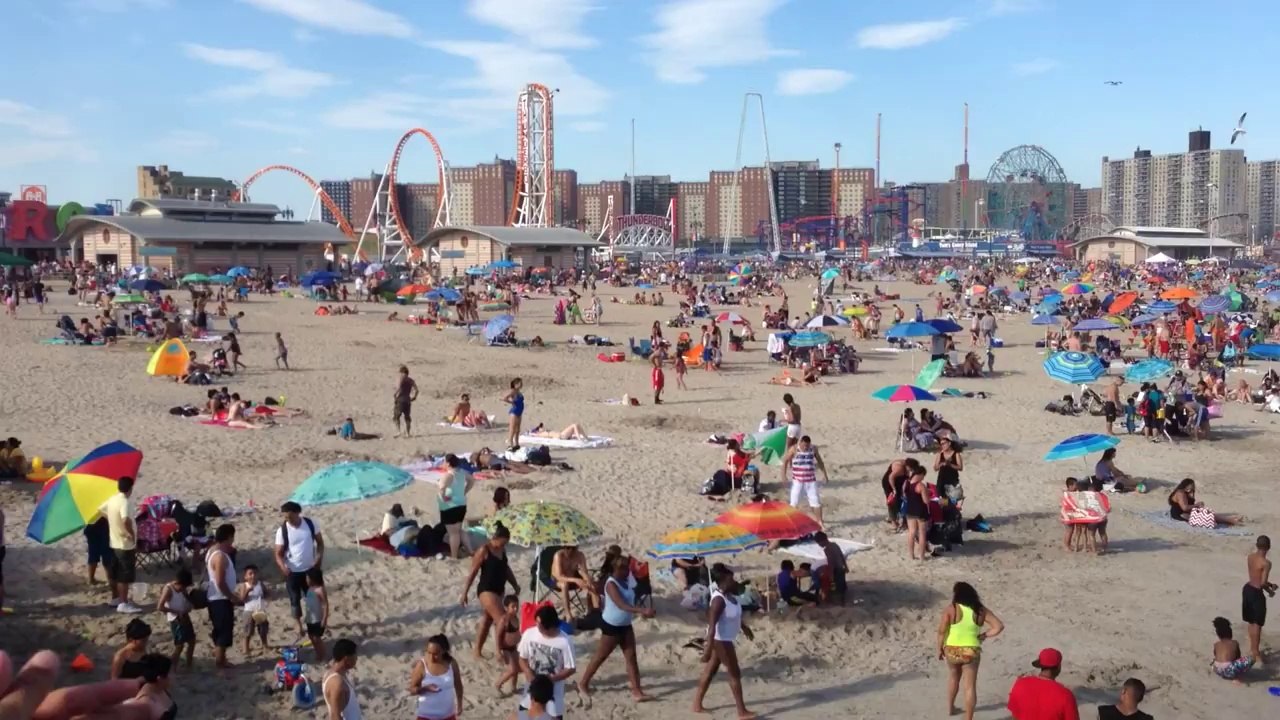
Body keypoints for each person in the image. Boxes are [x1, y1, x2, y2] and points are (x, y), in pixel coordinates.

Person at [578, 554, 656, 701]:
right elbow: (621, 604)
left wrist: (643, 611)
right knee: (600, 656)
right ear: (616, 569)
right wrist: (642, 611)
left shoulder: (627, 581)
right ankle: (583, 683)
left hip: (626, 624)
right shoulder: (611, 584)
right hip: (611, 625)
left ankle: (637, 691)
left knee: (631, 657)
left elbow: (631, 601)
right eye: (625, 568)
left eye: (628, 567)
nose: (628, 570)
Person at [691, 563, 755, 719]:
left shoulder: (730, 597)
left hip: (724, 639)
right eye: (732, 579)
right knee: (734, 673)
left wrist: (744, 627)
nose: (735, 581)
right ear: (726, 579)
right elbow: (712, 626)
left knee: (710, 671)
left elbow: (733, 616)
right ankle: (741, 711)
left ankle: (696, 704)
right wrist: (707, 649)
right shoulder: (718, 600)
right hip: (721, 641)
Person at [937, 582, 1005, 720]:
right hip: (971, 651)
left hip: (952, 650)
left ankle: (951, 708)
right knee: (970, 686)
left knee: (953, 677)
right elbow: (998, 626)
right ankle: (968, 718)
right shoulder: (980, 610)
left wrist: (939, 648)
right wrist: (984, 635)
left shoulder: (952, 609)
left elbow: (941, 631)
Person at [461, 523, 521, 661]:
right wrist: (465, 592)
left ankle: (477, 651)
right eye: (503, 542)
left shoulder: (502, 551)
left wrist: (515, 584)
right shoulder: (484, 550)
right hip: (486, 590)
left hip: (499, 590)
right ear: (496, 538)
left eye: (506, 543)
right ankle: (501, 652)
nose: (504, 546)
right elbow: (473, 572)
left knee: (487, 621)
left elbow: (506, 569)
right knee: (503, 620)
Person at [274, 501, 324, 644]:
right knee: (294, 600)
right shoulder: (282, 531)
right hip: (292, 571)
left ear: (297, 513)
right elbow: (277, 553)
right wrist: (282, 567)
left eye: (289, 517)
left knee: (314, 599)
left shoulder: (310, 523)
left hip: (310, 569)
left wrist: (318, 558)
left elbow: (320, 543)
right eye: (285, 517)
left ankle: (315, 623)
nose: (287, 520)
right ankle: (298, 624)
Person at [518, 605, 576, 719]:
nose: (536, 626)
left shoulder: (565, 641)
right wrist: (528, 673)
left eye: (539, 624)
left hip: (553, 695)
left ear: (549, 627)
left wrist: (551, 679)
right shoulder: (529, 634)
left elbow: (571, 668)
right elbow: (522, 658)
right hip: (531, 691)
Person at [101, 476, 143, 613]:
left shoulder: (113, 499)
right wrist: (130, 534)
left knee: (116, 573)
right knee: (124, 575)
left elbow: (100, 510)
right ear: (130, 489)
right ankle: (123, 603)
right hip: (125, 544)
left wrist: (114, 522)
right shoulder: (125, 502)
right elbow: (126, 520)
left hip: (114, 542)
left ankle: (117, 599)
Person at [1006, 648, 1079, 720]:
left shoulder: (1020, 683)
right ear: (1058, 667)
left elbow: (1015, 717)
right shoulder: (1066, 696)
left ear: (1040, 665)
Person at [205, 524, 240, 670]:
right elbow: (220, 581)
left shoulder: (212, 551)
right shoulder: (219, 556)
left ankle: (222, 659)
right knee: (223, 632)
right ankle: (220, 663)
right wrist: (231, 596)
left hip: (216, 597)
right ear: (229, 537)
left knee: (221, 630)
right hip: (220, 598)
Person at [408, 634, 464, 720]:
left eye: (435, 654)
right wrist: (424, 689)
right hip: (426, 716)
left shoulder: (451, 663)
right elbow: (412, 690)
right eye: (429, 652)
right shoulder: (422, 665)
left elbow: (458, 684)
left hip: (448, 715)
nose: (431, 658)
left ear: (444, 651)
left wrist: (460, 703)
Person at [781, 435, 829, 529]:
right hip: (798, 482)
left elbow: (820, 462)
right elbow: (785, 461)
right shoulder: (794, 449)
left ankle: (820, 522)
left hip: (811, 481)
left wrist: (825, 474)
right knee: (794, 503)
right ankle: (791, 523)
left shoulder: (813, 449)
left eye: (807, 446)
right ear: (800, 443)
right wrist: (784, 476)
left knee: (816, 502)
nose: (805, 448)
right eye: (804, 446)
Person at [1244, 534, 1275, 666]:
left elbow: (1256, 576)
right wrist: (1270, 590)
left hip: (1247, 588)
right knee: (1258, 623)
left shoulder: (1250, 557)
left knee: (1251, 621)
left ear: (1257, 546)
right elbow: (1262, 583)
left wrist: (1269, 584)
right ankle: (1256, 653)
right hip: (1257, 592)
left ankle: (1252, 648)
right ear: (1268, 547)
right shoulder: (1266, 563)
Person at [156, 567, 196, 671]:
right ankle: (173, 667)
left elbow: (187, 598)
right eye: (183, 587)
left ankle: (189, 665)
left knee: (192, 641)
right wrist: (176, 612)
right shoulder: (168, 589)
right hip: (176, 619)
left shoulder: (183, 589)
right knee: (179, 645)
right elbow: (160, 607)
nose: (183, 589)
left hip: (185, 616)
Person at [438, 454, 474, 559]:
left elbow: (441, 490)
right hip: (461, 505)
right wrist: (464, 492)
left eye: (444, 461)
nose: (443, 463)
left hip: (450, 506)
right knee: (459, 529)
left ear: (448, 463)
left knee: (453, 533)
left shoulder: (448, 475)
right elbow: (471, 481)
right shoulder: (462, 473)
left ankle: (454, 556)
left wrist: (444, 499)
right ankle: (470, 550)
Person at [550, 545, 599, 620]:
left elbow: (584, 571)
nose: (570, 550)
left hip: (573, 577)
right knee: (564, 585)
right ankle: (568, 614)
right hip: (557, 580)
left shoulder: (580, 555)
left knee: (592, 585)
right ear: (563, 547)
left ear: (576, 548)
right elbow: (559, 576)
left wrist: (588, 580)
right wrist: (576, 580)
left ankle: (595, 611)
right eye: (568, 548)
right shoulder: (558, 555)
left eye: (573, 548)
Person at [323, 639, 361, 720]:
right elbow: (335, 716)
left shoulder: (332, 673)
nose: (357, 658)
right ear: (346, 658)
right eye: (355, 655)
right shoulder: (337, 684)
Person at [237, 565, 270, 655]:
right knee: (248, 630)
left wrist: (267, 595)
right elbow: (242, 599)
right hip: (249, 610)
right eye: (250, 574)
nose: (253, 576)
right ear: (245, 577)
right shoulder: (244, 585)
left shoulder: (260, 584)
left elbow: (266, 593)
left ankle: (265, 644)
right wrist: (247, 591)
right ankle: (246, 647)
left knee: (263, 628)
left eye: (255, 573)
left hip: (260, 610)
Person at [133, 653, 178, 720]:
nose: (174, 677)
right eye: (171, 674)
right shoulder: (145, 703)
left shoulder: (161, 690)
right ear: (160, 679)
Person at [1212, 616, 1254, 682]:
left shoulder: (1216, 644)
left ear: (1218, 634)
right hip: (1229, 670)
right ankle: (1236, 678)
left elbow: (1215, 655)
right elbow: (1237, 657)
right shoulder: (1234, 643)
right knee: (1251, 659)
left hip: (1217, 669)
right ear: (1230, 633)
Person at [495, 594, 522, 695]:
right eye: (513, 607)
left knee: (517, 668)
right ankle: (498, 684)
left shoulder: (516, 618)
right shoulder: (504, 620)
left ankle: (513, 688)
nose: (515, 609)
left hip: (514, 647)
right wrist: (498, 651)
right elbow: (498, 636)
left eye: (517, 606)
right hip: (505, 648)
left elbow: (517, 633)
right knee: (512, 669)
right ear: (506, 608)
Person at [904, 466, 931, 561]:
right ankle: (922, 557)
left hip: (910, 510)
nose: (923, 478)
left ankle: (911, 555)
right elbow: (926, 501)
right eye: (923, 476)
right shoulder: (921, 485)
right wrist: (928, 493)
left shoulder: (906, 483)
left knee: (911, 533)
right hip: (920, 511)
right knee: (922, 534)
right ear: (920, 474)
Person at [815, 532, 849, 605]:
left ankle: (840, 602)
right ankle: (843, 599)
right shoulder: (834, 544)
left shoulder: (827, 549)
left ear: (822, 541)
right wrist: (846, 566)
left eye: (818, 543)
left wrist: (831, 575)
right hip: (841, 567)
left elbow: (831, 563)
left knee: (837, 586)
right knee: (842, 584)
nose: (819, 545)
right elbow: (841, 555)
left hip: (836, 569)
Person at [84, 516, 111, 587]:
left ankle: (91, 579)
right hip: (103, 527)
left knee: (93, 554)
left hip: (92, 525)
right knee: (106, 554)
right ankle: (109, 580)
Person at [394, 365, 419, 438]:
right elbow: (417, 390)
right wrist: (414, 397)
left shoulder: (401, 378)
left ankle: (398, 431)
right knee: (407, 417)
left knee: (397, 416)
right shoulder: (411, 380)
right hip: (408, 400)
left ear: (402, 372)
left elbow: (399, 388)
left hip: (401, 399)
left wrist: (395, 395)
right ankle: (408, 433)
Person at [503, 378, 525, 451]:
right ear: (515, 385)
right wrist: (511, 402)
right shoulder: (513, 391)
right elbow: (505, 398)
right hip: (514, 412)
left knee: (518, 429)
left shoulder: (519, 392)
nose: (521, 384)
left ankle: (517, 443)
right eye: (519, 383)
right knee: (512, 429)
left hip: (519, 411)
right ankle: (510, 443)